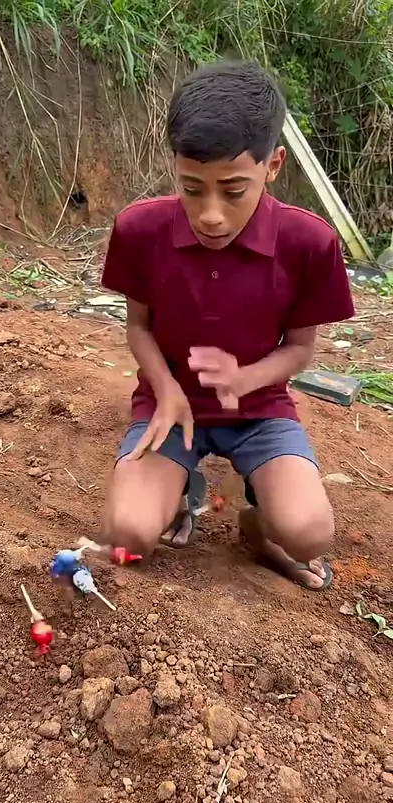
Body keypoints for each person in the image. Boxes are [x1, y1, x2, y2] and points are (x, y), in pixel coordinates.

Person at [99, 60, 354, 591]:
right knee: (128, 535)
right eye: (192, 188)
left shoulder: (309, 243)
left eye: (233, 190)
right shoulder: (140, 229)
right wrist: (167, 389)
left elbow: (300, 349)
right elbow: (138, 327)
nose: (210, 214)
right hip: (170, 408)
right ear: (174, 165)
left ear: (273, 164)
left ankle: (258, 528)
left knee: (309, 533)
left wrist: (243, 378)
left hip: (259, 410)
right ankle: (181, 492)